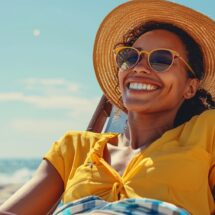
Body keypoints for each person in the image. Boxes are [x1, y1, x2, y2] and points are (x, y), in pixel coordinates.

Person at [1, 0, 215, 214]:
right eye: (130, 57)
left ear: (190, 87)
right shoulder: (75, 148)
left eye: (161, 59)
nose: (139, 67)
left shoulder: (206, 132)